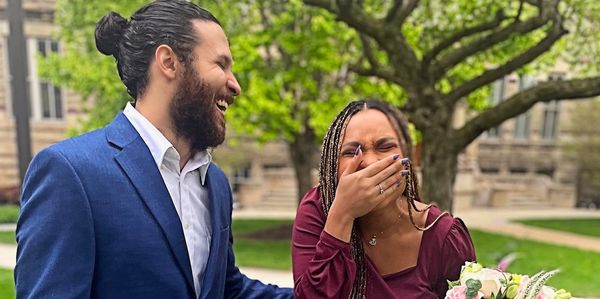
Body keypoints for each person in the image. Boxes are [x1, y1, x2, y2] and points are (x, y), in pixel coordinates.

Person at [14, 1, 293, 298]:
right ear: (168, 62)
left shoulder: (216, 184)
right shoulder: (70, 172)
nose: (235, 85)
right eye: (220, 64)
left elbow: (226, 290)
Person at [292, 100, 476, 298]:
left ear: (408, 157)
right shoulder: (318, 209)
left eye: (385, 146)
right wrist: (342, 214)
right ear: (332, 164)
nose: (370, 162)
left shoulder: (444, 236)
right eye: (351, 152)